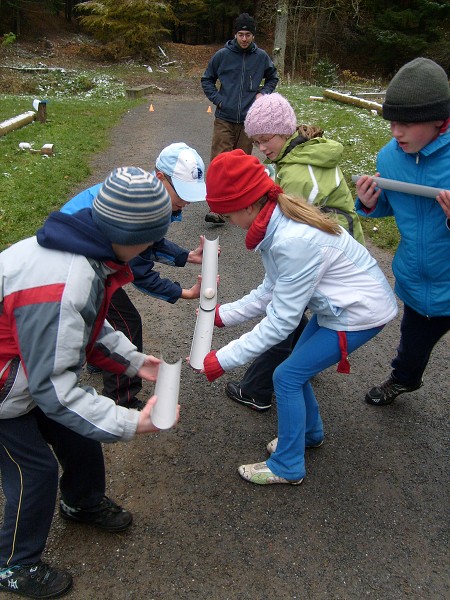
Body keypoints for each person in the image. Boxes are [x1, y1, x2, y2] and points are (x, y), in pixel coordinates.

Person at [0, 167, 179, 598]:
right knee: (34, 471)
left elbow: (84, 326)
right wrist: (133, 423)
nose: (153, 248)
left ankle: (80, 501)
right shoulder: (63, 280)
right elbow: (55, 390)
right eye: (152, 239)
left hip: (25, 373)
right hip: (4, 394)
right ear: (132, 236)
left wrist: (135, 363)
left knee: (79, 440)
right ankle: (13, 564)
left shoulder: (88, 254)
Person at [199, 150, 397, 485]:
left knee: (286, 376)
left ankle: (288, 466)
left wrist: (221, 359)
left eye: (227, 213)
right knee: (294, 371)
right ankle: (309, 433)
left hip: (357, 313)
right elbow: (271, 290)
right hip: (337, 306)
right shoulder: (276, 222)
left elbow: (281, 322)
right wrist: (223, 316)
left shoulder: (293, 240)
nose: (228, 220)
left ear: (248, 204)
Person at [224, 92, 365, 412]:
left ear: (286, 131)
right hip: (326, 251)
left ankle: (258, 389)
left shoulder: (300, 173)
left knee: (282, 312)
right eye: (256, 142)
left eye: (266, 139)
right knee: (293, 312)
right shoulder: (297, 157)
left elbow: (287, 226)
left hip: (330, 257)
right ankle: (301, 361)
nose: (261, 149)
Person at [62, 143, 206, 411]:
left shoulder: (149, 194)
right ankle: (121, 398)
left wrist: (187, 257)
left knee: (102, 317)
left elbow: (152, 241)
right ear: (160, 177)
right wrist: (184, 293)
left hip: (91, 253)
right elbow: (138, 271)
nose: (185, 202)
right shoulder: (137, 205)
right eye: (182, 194)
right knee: (126, 324)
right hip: (76, 258)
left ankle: (97, 357)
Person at [355, 57, 450, 406]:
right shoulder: (390, 158)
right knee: (412, 344)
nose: (396, 132)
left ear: (439, 120)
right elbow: (389, 206)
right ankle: (405, 379)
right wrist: (369, 203)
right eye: (392, 122)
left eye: (407, 124)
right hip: (417, 281)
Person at [201, 12, 278, 224]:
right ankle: (216, 209)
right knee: (220, 161)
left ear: (253, 36)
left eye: (248, 35)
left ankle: (240, 205)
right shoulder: (222, 56)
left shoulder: (261, 57)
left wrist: (264, 93)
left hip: (248, 121)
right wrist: (219, 100)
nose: (244, 39)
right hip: (224, 117)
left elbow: (272, 77)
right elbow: (207, 79)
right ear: (235, 34)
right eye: (241, 34)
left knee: (242, 163)